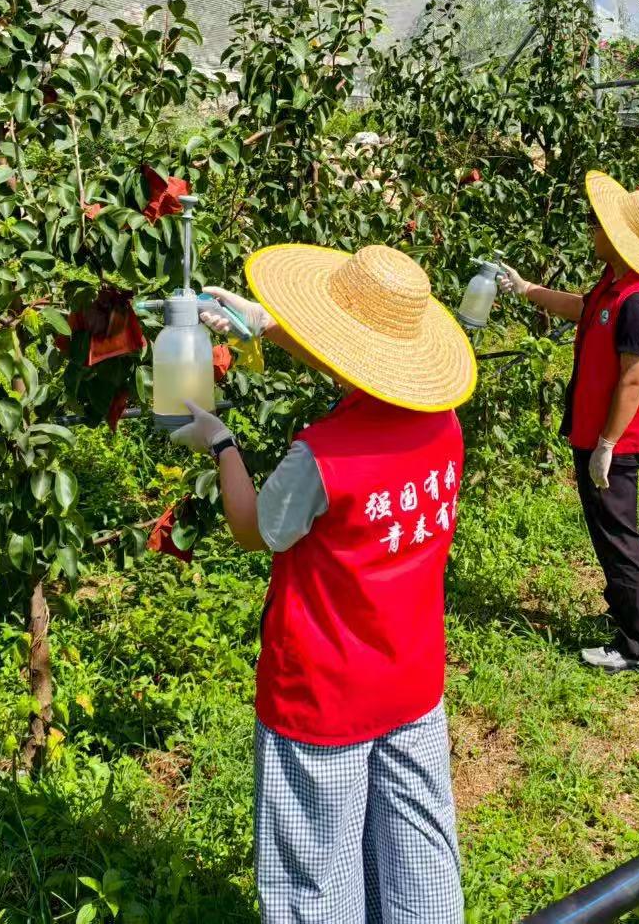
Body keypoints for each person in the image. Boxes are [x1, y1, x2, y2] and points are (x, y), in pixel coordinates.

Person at [169, 242, 476, 923]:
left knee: (317, 871)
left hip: (323, 693)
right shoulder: (444, 425)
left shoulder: (322, 455)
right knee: (418, 854)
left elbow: (255, 529)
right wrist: (265, 325)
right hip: (411, 679)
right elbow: (361, 373)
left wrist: (221, 443)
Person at [500, 171, 639, 673]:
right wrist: (528, 289)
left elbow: (635, 379)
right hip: (596, 432)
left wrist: (608, 444)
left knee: (618, 533)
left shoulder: (638, 301)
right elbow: (582, 308)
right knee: (605, 528)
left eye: (596, 223)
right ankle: (625, 615)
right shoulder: (613, 285)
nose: (591, 229)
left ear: (614, 236)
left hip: (617, 441)